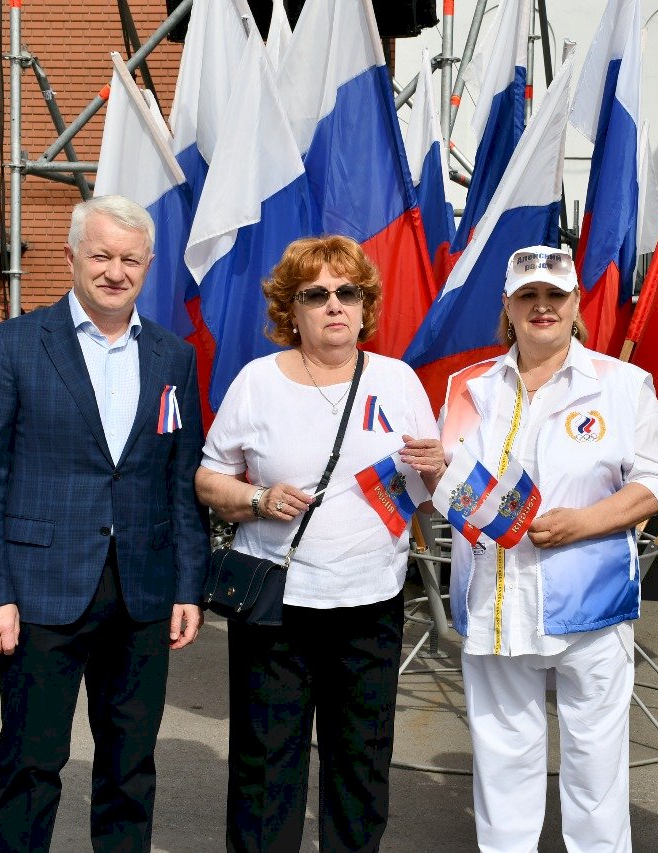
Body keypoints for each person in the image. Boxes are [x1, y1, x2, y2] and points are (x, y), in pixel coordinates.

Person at [0, 195, 210, 852]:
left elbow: (179, 479)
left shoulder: (173, 359)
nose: (115, 270)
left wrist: (188, 585)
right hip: (39, 592)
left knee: (131, 770)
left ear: (148, 265)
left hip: (143, 594)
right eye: (101, 255)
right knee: (31, 767)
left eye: (130, 258)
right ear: (72, 257)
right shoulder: (11, 344)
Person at [194, 235, 444, 852]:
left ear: (364, 305)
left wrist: (438, 469)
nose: (334, 306)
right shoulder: (258, 382)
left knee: (361, 761)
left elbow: (430, 488)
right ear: (291, 309)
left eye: (346, 292)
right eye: (316, 294)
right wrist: (256, 499)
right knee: (265, 763)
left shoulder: (398, 379)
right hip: (278, 606)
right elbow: (207, 477)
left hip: (370, 604)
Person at [438, 246, 658, 853]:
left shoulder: (623, 384)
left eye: (555, 296)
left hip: (588, 605)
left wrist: (585, 522)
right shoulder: (467, 386)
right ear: (508, 307)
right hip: (493, 600)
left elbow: (654, 482)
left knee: (595, 762)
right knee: (502, 754)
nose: (542, 307)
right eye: (528, 296)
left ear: (576, 304)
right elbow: (446, 482)